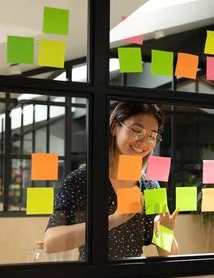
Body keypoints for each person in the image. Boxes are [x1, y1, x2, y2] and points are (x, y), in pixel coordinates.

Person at [43, 102, 179, 260]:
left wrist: (165, 231)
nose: (143, 141)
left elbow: (167, 255)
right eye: (136, 130)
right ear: (114, 127)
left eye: (151, 136)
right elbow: (51, 243)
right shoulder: (83, 180)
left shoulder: (150, 187)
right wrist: (113, 220)